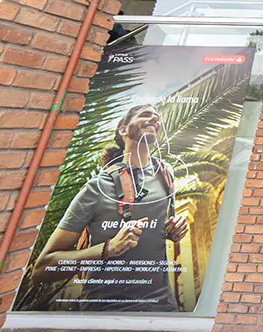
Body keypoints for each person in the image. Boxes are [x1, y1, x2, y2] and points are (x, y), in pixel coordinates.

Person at [31, 104, 189, 312]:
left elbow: (158, 230)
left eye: (156, 118)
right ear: (123, 130)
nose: (154, 120)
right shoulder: (97, 187)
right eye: (145, 115)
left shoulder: (166, 174)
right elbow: (42, 269)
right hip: (105, 310)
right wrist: (108, 249)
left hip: (162, 307)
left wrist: (173, 230)